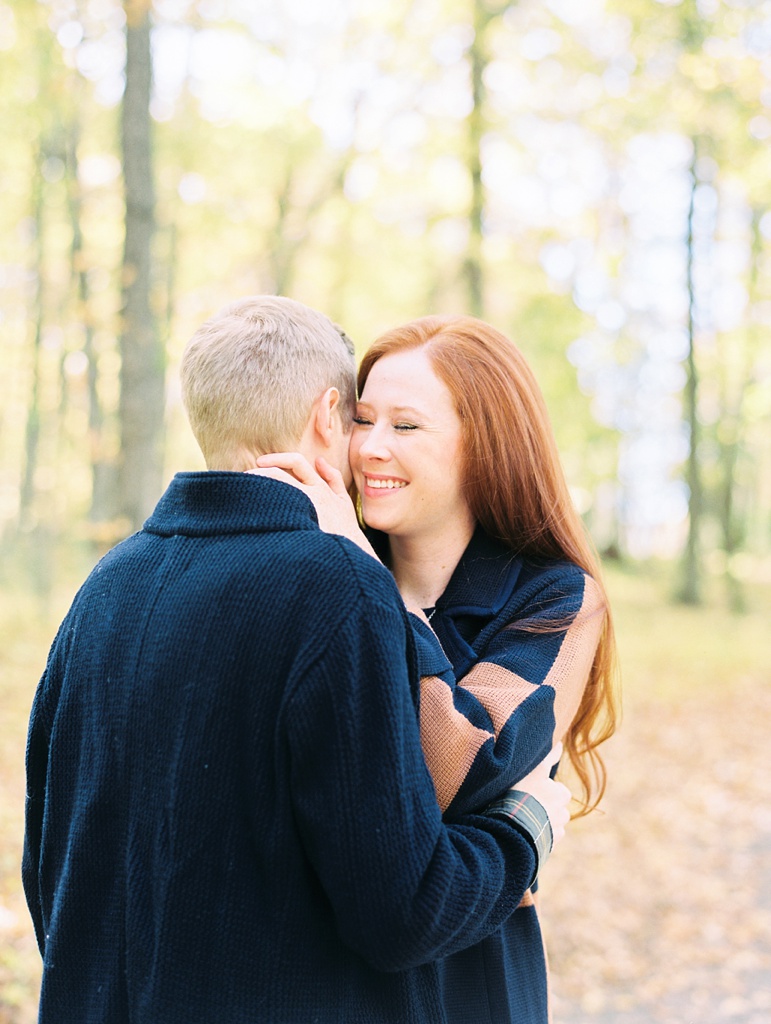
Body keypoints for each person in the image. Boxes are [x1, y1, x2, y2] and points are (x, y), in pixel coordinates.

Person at [23, 296, 571, 1024]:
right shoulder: (341, 585)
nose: (371, 446)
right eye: (360, 419)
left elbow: (48, 869)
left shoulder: (106, 584)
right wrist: (521, 832)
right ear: (325, 417)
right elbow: (404, 909)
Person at [257, 313, 619, 1024]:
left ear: (483, 446)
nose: (369, 450)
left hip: (463, 982)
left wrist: (362, 577)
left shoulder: (554, 598)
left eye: (407, 427)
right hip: (312, 978)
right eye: (362, 420)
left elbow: (459, 766)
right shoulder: (304, 571)